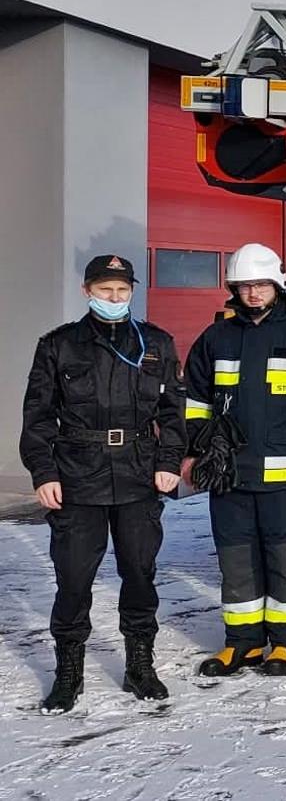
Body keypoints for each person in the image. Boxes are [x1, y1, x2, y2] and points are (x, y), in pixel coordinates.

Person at [21, 254, 185, 713]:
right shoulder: (59, 346)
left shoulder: (155, 343)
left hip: (138, 474)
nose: (114, 297)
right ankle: (68, 672)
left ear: (131, 292)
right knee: (73, 579)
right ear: (87, 291)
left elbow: (173, 412)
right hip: (77, 476)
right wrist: (44, 473)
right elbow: (37, 416)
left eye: (122, 290)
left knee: (139, 573)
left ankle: (140, 665)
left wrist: (169, 461)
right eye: (104, 289)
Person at [182, 244, 286, 679]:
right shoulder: (215, 339)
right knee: (236, 561)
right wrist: (195, 450)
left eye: (261, 285)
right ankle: (243, 642)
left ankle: (284, 644)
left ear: (279, 286)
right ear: (234, 289)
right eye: (245, 286)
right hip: (229, 475)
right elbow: (195, 402)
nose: (253, 293)